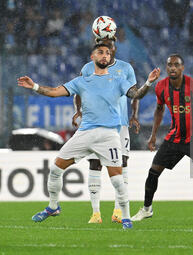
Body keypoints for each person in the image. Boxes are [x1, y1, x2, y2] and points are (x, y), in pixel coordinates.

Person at [17, 43, 161, 229]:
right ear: (92, 57)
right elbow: (54, 92)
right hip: (84, 133)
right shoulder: (81, 81)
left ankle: (125, 217)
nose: (105, 56)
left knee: (117, 180)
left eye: (108, 53)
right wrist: (34, 86)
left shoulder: (118, 81)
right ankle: (53, 207)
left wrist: (148, 82)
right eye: (100, 52)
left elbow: (136, 95)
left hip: (109, 135)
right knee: (55, 170)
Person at [72, 38, 140, 224]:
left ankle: (118, 211)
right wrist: (78, 110)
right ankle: (96, 213)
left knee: (122, 163)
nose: (105, 51)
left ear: (114, 49)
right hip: (95, 124)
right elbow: (78, 91)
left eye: (108, 47)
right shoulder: (87, 68)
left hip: (120, 123)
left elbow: (134, 93)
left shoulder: (126, 68)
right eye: (101, 48)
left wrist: (134, 115)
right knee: (95, 164)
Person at [131, 54, 193, 221]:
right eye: (170, 65)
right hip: (174, 138)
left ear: (182, 67)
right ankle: (147, 209)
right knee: (153, 172)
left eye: (176, 65)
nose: (173, 68)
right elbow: (159, 110)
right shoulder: (161, 86)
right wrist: (153, 135)